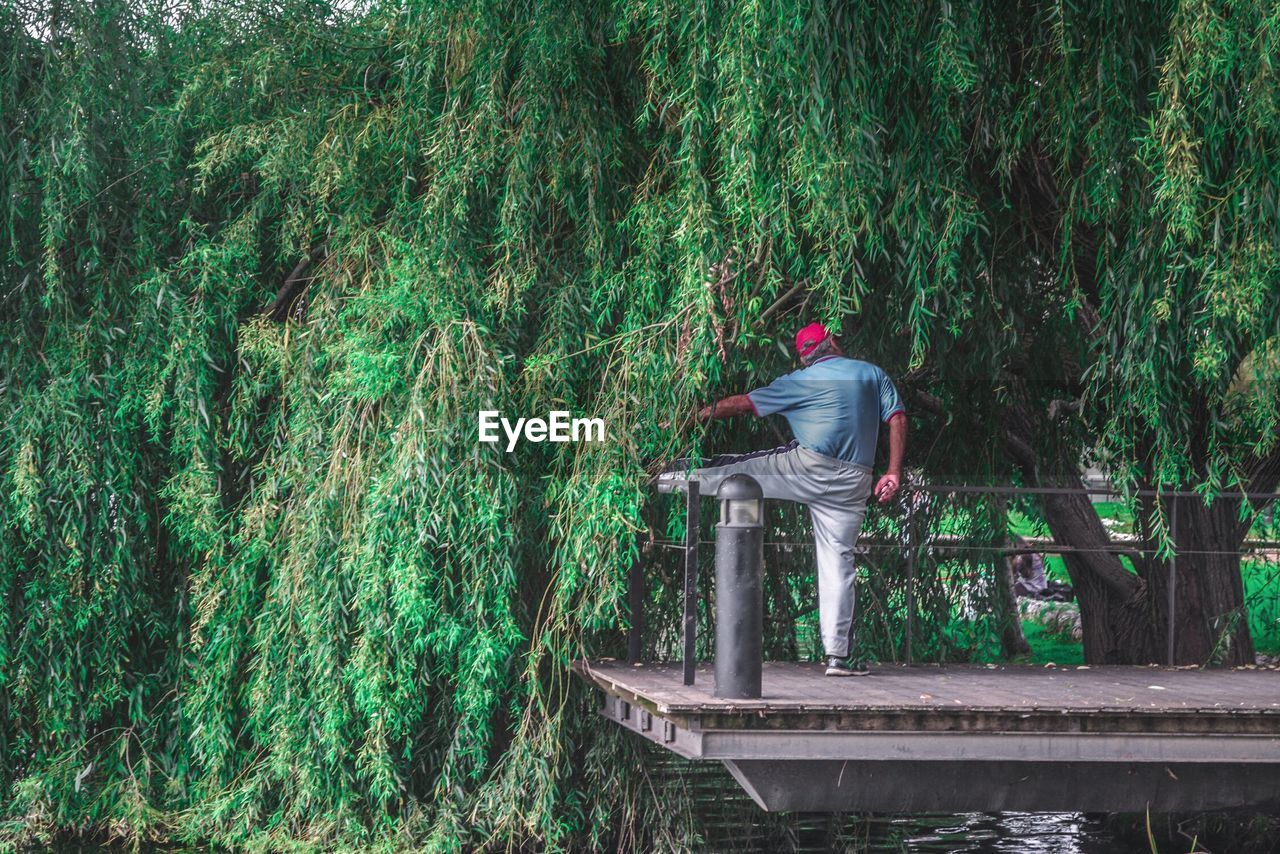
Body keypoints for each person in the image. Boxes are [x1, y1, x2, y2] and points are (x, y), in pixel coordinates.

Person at [658, 322, 907, 676]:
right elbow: (897, 417)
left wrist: (696, 415)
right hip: (856, 480)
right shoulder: (871, 374)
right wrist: (893, 471)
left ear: (805, 356)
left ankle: (665, 478)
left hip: (808, 467)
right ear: (832, 342)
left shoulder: (800, 380)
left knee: (738, 471)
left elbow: (743, 404)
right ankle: (838, 657)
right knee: (838, 564)